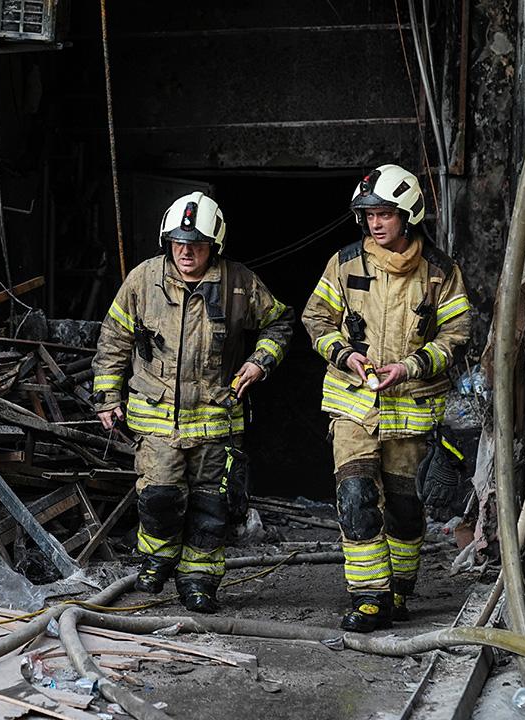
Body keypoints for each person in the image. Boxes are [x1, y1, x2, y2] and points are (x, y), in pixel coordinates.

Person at [92, 192, 293, 612]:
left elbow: (280, 321)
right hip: (158, 418)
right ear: (167, 241)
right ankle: (157, 560)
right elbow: (114, 340)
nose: (186, 251)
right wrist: (107, 396)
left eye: (197, 244)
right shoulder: (143, 280)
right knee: (159, 498)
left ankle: (199, 582)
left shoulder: (239, 284)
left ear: (214, 245)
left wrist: (260, 363)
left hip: (217, 421)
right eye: (179, 243)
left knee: (210, 508)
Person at [301, 164, 471, 632]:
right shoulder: (345, 263)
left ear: (408, 214)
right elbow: (315, 318)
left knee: (404, 508)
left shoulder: (439, 273)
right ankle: (370, 597)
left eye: (384, 214)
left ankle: (398, 590)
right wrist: (343, 355)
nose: (375, 223)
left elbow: (458, 333)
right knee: (355, 497)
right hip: (354, 406)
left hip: (413, 411)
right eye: (368, 214)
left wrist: (411, 366)